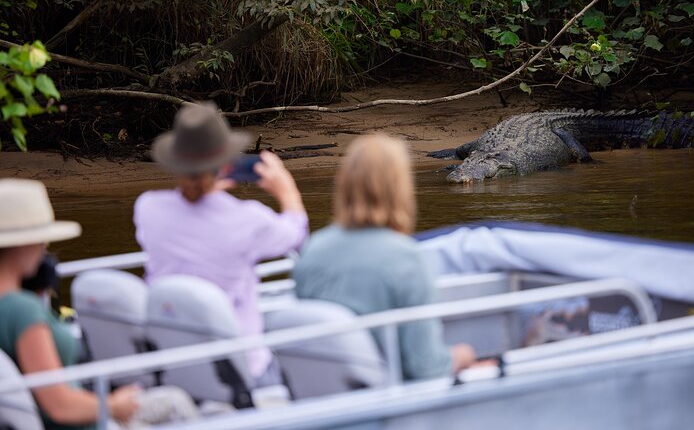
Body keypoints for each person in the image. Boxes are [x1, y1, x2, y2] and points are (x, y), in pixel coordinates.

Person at [0, 179, 198, 430]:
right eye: (42, 239)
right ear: (23, 244)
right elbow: (59, 406)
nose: (44, 249)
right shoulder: (22, 310)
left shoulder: (18, 302)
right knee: (176, 401)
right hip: (86, 423)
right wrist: (114, 404)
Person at [133, 101, 308, 387]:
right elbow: (296, 233)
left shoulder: (147, 209)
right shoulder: (247, 219)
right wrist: (287, 191)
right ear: (226, 164)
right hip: (241, 368)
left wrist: (212, 186)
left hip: (172, 364)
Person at [293, 134, 477, 381]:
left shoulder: (313, 249)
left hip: (327, 392)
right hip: (389, 399)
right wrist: (464, 355)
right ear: (400, 188)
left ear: (344, 183)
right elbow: (427, 367)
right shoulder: (406, 257)